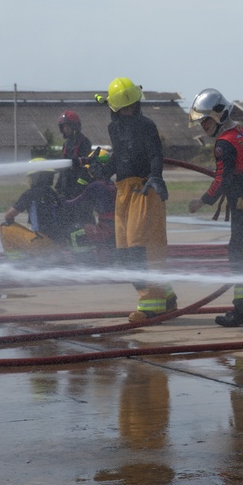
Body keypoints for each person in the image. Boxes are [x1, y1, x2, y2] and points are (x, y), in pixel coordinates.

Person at [188, 88, 243, 327]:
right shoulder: (242, 132)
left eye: (204, 121)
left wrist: (202, 201)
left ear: (217, 116)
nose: (202, 127)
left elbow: (221, 179)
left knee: (241, 252)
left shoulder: (223, 145)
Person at [97, 77, 176, 322]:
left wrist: (155, 177)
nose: (130, 111)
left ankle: (151, 307)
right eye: (126, 108)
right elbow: (120, 155)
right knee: (125, 253)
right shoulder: (114, 129)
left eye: (132, 107)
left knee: (144, 250)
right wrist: (98, 170)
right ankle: (167, 297)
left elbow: (155, 153)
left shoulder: (146, 126)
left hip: (144, 190)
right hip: (123, 193)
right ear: (116, 109)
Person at [0, 159, 71, 260]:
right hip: (57, 244)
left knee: (4, 227)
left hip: (40, 241)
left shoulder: (30, 194)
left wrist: (11, 222)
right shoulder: (54, 194)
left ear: (36, 177)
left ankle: (17, 260)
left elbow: (8, 216)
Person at [64, 149, 118, 264]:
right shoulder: (113, 185)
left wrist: (61, 199)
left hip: (106, 229)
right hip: (117, 227)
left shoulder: (95, 186)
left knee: (73, 232)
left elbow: (74, 202)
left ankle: (86, 263)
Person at [57, 110, 92, 202]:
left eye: (67, 126)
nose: (65, 129)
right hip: (65, 187)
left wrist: (78, 188)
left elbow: (86, 165)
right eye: (63, 127)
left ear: (74, 126)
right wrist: (59, 186)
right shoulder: (66, 144)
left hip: (79, 188)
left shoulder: (84, 142)